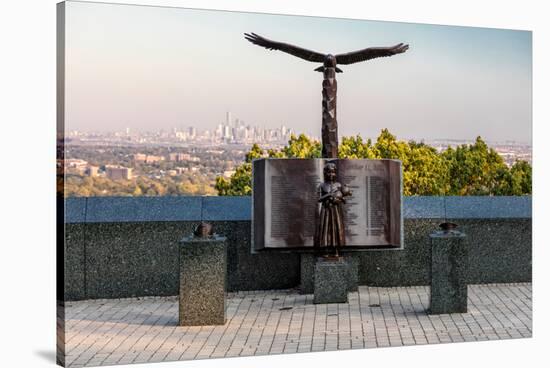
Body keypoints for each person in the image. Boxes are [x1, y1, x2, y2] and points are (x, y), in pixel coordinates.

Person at [315, 162, 352, 256]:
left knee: (336, 228)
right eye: (329, 172)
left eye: (333, 172)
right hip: (326, 211)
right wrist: (329, 195)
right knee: (326, 229)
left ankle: (336, 250)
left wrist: (340, 199)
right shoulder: (322, 185)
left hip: (336, 211)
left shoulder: (338, 185)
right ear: (325, 173)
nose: (331, 174)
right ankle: (326, 250)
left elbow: (344, 200)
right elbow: (319, 199)